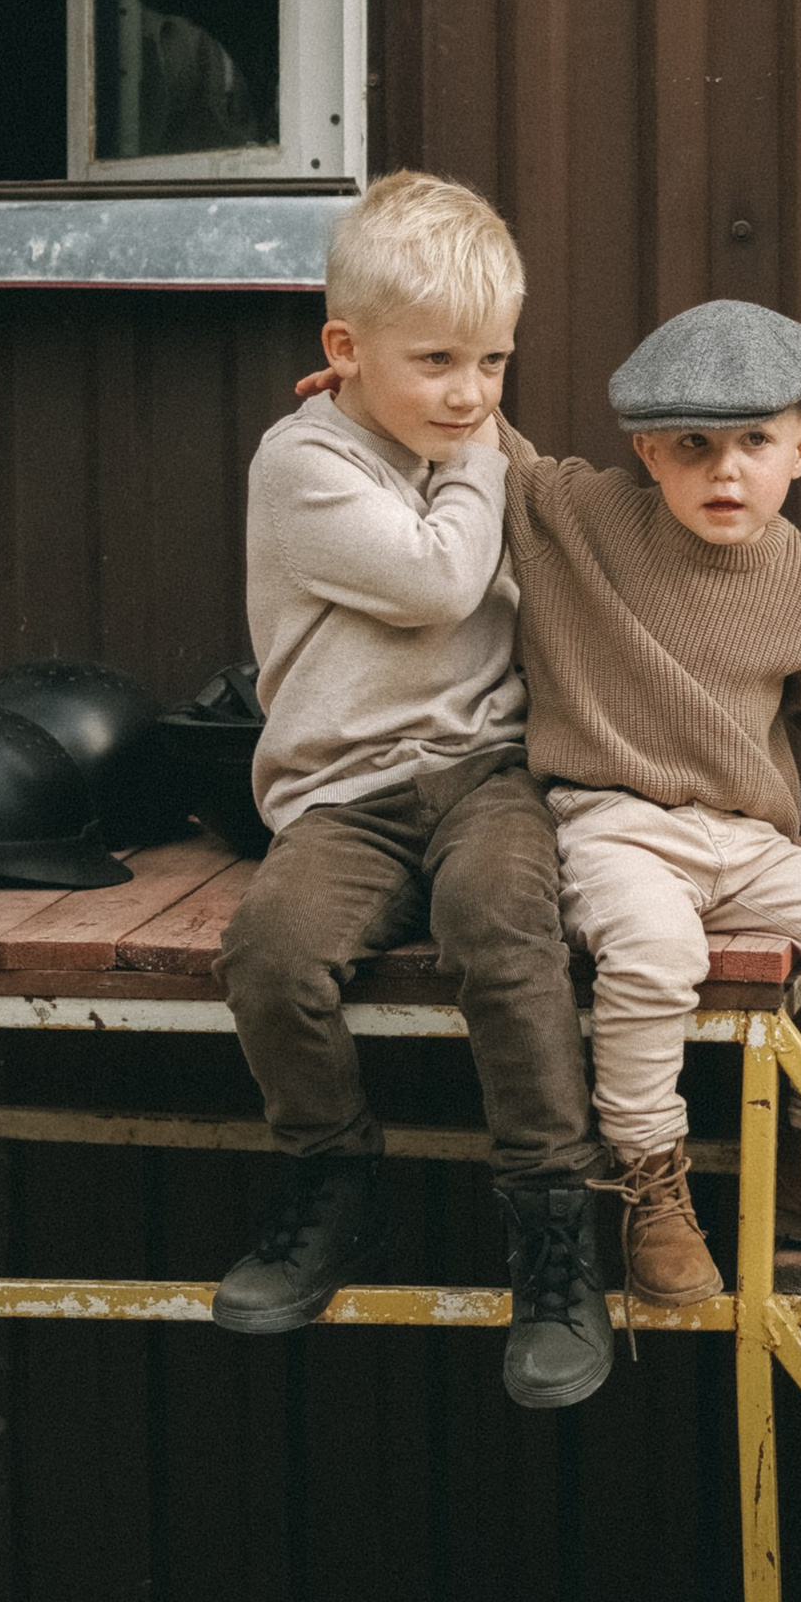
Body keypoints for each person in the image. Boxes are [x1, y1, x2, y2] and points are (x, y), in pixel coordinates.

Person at [213, 174, 611, 1413]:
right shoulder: (302, 461)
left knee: (503, 927)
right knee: (272, 951)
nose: (471, 393)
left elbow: (564, 521)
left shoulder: (471, 445)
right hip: (345, 795)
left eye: (493, 361)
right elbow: (440, 580)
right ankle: (334, 1181)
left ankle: (554, 1227)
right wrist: (483, 454)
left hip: (487, 773)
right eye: (435, 361)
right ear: (344, 351)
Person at [499, 302, 801, 1303]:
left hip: (747, 839)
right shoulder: (582, 521)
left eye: (754, 442)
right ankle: (648, 1183)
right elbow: (493, 451)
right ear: (648, 451)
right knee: (653, 955)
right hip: (616, 822)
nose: (725, 471)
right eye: (693, 445)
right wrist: (381, 399)